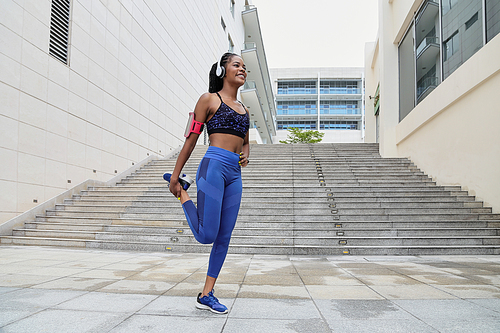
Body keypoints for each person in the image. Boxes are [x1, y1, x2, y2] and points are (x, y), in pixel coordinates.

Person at [164, 52, 250, 314]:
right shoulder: (209, 99)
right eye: (237, 65)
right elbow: (191, 139)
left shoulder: (245, 109)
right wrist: (176, 175)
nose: (242, 69)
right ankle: (183, 195)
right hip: (212, 167)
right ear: (223, 71)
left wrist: (247, 152)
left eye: (244, 67)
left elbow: (245, 141)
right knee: (206, 236)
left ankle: (206, 294)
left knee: (224, 236)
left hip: (234, 174)